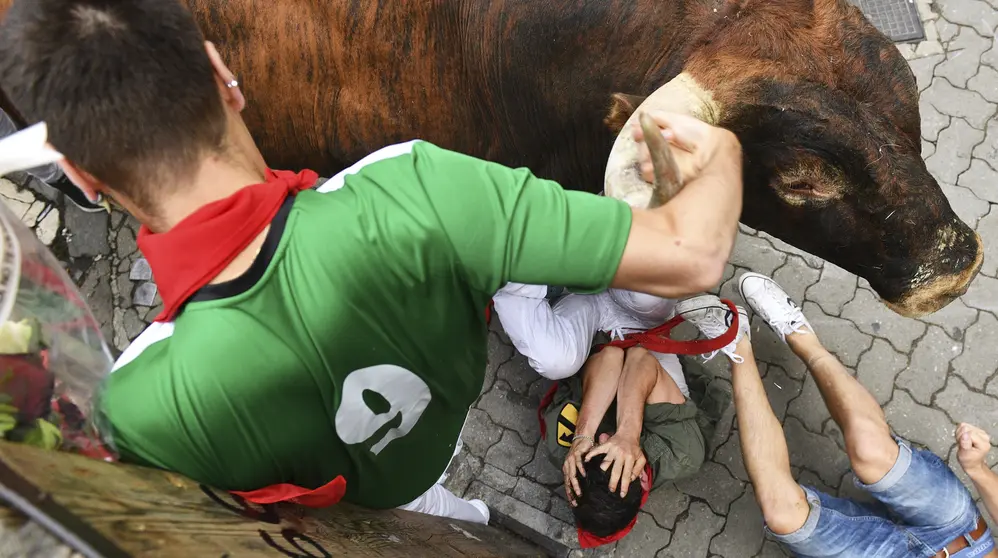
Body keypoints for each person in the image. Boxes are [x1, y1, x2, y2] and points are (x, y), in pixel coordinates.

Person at [0, 0, 743, 524]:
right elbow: (692, 252)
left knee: (438, 516)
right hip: (436, 441)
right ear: (222, 73)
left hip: (377, 505)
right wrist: (725, 146)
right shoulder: (414, 183)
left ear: (84, 179)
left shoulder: (136, 412)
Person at [682, 274, 997, 557]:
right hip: (964, 534)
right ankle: (801, 336)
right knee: (870, 450)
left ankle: (736, 342)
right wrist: (977, 469)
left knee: (780, 512)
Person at [493, 282, 748, 547]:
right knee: (647, 295)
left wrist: (583, 435)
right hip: (644, 325)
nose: (604, 435)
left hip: (592, 318)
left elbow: (610, 356)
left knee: (552, 360)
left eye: (596, 445)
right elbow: (638, 358)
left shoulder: (564, 450)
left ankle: (508, 274)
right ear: (644, 478)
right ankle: (621, 253)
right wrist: (628, 434)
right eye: (609, 444)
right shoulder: (682, 454)